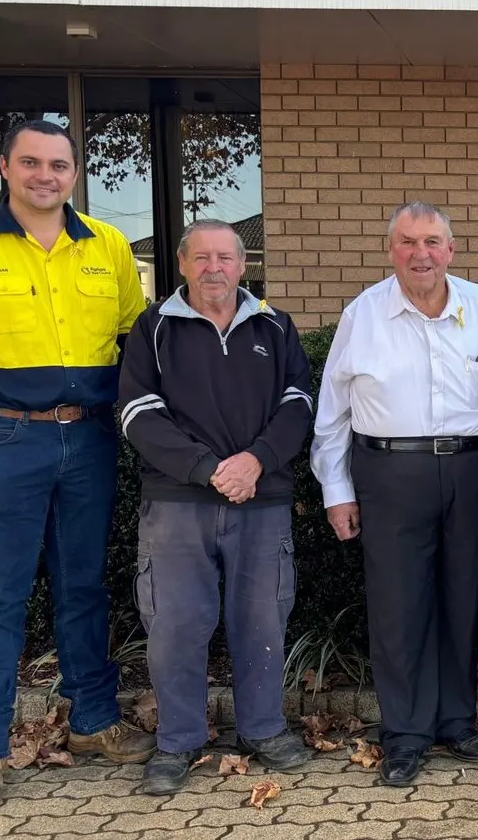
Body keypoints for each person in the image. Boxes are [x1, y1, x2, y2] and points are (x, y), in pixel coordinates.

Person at [0, 120, 155, 813]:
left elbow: (134, 339)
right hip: (7, 441)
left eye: (60, 164)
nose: (46, 175)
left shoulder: (103, 244)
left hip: (91, 439)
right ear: (6, 166)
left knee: (84, 585)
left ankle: (95, 720)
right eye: (32, 162)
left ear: (75, 173)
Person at [310, 201, 478, 787]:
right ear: (391, 251)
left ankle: (456, 721)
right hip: (391, 475)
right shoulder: (364, 314)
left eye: (432, 242)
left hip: (477, 472)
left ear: (451, 250)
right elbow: (333, 411)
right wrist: (336, 489)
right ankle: (404, 732)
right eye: (408, 242)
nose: (421, 253)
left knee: (464, 597)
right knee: (399, 606)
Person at [118, 219, 315, 794]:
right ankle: (178, 741)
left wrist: (255, 461)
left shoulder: (275, 326)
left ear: (242, 265)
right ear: (181, 264)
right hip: (177, 501)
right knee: (176, 624)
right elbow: (138, 413)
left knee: (262, 617)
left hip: (262, 497)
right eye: (201, 257)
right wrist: (209, 470)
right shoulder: (153, 328)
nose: (214, 268)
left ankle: (263, 729)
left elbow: (298, 403)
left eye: (225, 257)